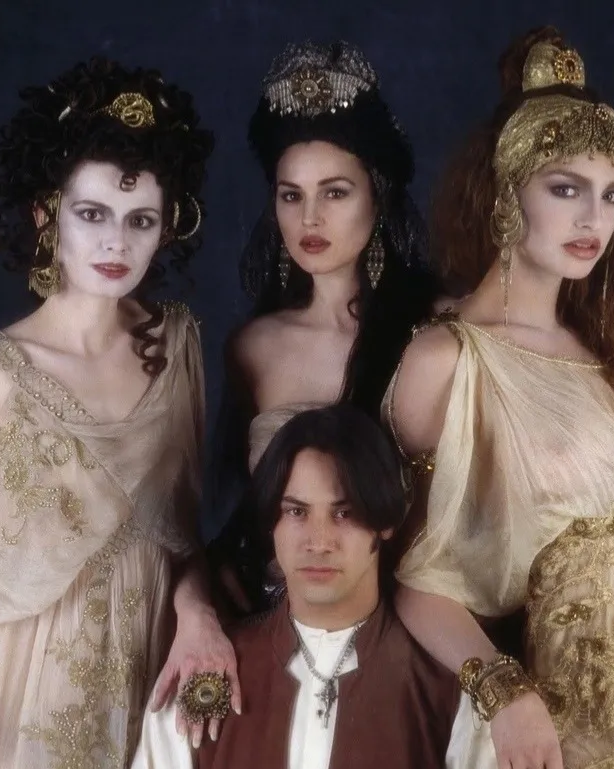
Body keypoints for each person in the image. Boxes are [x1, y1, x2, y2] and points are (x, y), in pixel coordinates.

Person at [387, 26, 614, 769]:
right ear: (506, 191)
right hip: (581, 723)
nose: (592, 219)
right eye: (565, 189)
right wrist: (502, 690)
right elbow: (413, 577)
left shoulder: (611, 357)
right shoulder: (448, 360)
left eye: (610, 196)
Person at [0, 58, 239, 767]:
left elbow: (181, 536)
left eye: (140, 220)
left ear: (166, 228)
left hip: (145, 684)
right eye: (91, 214)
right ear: (45, 215)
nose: (117, 242)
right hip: (5, 702)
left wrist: (198, 611)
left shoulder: (176, 346)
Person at [209, 41, 440, 615]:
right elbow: (235, 520)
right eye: (292, 195)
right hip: (273, 621)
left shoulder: (432, 331)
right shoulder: (253, 348)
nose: (309, 218)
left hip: (403, 622)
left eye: (335, 192)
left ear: (377, 199)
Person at [135, 405, 483, 768]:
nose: (318, 542)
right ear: (271, 522)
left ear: (385, 523)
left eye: (344, 513)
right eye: (296, 512)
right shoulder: (206, 670)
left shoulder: (448, 691)